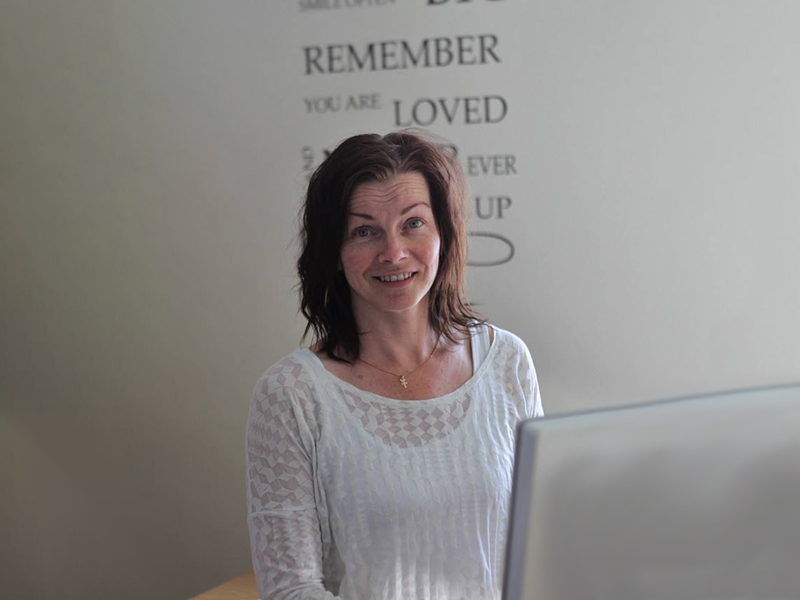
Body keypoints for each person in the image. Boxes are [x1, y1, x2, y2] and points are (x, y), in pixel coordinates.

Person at [245, 130, 543, 600]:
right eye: (365, 231)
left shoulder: (507, 361)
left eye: (413, 224)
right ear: (334, 252)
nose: (393, 253)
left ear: (444, 233)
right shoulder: (291, 395)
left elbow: (539, 550)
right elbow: (291, 591)